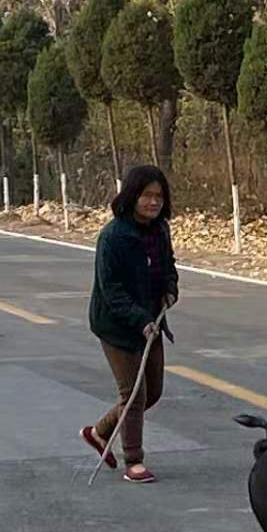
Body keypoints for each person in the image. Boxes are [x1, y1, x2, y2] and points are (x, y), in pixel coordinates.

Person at [82, 164, 180, 483]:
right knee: (134, 394)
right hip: (117, 326)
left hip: (150, 321)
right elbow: (111, 290)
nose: (153, 202)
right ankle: (133, 461)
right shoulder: (113, 236)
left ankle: (98, 433)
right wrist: (140, 320)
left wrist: (170, 288)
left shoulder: (160, 230)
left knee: (152, 392)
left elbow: (168, 266)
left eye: (159, 197)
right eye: (147, 195)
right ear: (132, 196)